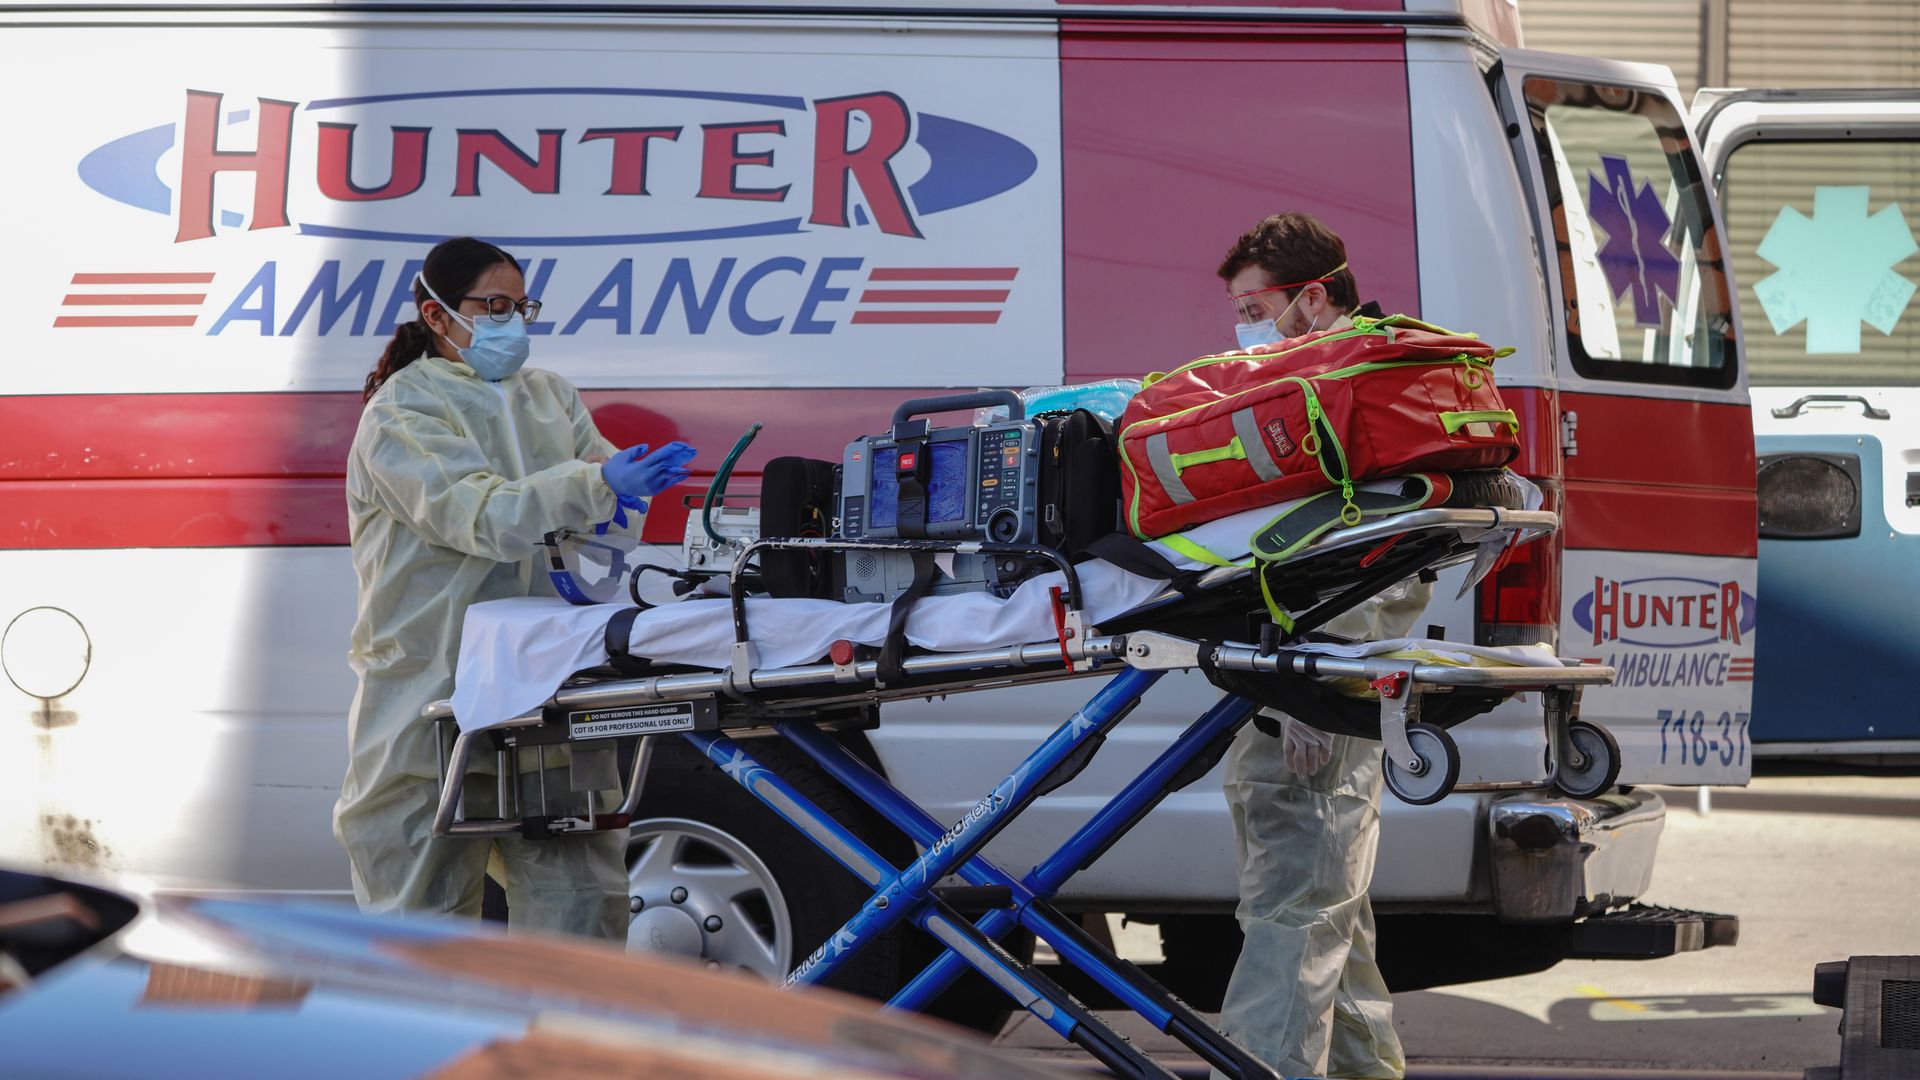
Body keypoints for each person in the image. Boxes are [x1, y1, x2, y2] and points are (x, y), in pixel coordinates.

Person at [334, 235, 697, 939]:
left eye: (519, 306)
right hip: (433, 698)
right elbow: (481, 514)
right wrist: (594, 484)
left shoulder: (549, 397)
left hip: (545, 692)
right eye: (492, 306)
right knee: (423, 931)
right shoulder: (402, 415)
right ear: (437, 316)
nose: (510, 322)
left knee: (581, 909)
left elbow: (595, 518)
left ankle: (565, 1050)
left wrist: (624, 489)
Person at [1212, 212, 1428, 1080]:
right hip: (1314, 686)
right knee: (1333, 923)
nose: (1243, 324)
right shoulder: (1365, 383)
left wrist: (1304, 683)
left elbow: (1353, 558)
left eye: (1256, 305)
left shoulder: (1345, 390)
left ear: (1312, 295)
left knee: (1293, 921)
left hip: (1308, 695)